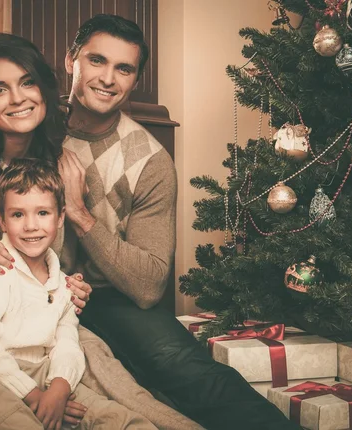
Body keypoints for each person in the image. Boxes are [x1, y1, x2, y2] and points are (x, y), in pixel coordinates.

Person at [0, 32, 199, 430]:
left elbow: (52, 259)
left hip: (28, 323)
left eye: (27, 82)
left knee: (125, 395)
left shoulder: (59, 162)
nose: (17, 99)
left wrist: (71, 282)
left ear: (45, 90)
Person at [60, 14, 301, 430]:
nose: (108, 78)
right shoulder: (28, 126)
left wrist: (81, 215)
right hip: (32, 291)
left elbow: (150, 283)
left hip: (113, 295)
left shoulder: (150, 160)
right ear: (71, 60)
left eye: (124, 68)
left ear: (135, 79)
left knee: (187, 370)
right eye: (97, 60)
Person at [0, 159, 156, 430]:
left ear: (61, 217)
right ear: (2, 221)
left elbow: (67, 343)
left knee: (119, 419)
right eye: (18, 215)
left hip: (47, 374)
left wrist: (58, 390)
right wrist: (34, 397)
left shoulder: (64, 284)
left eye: (42, 213)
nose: (31, 226)